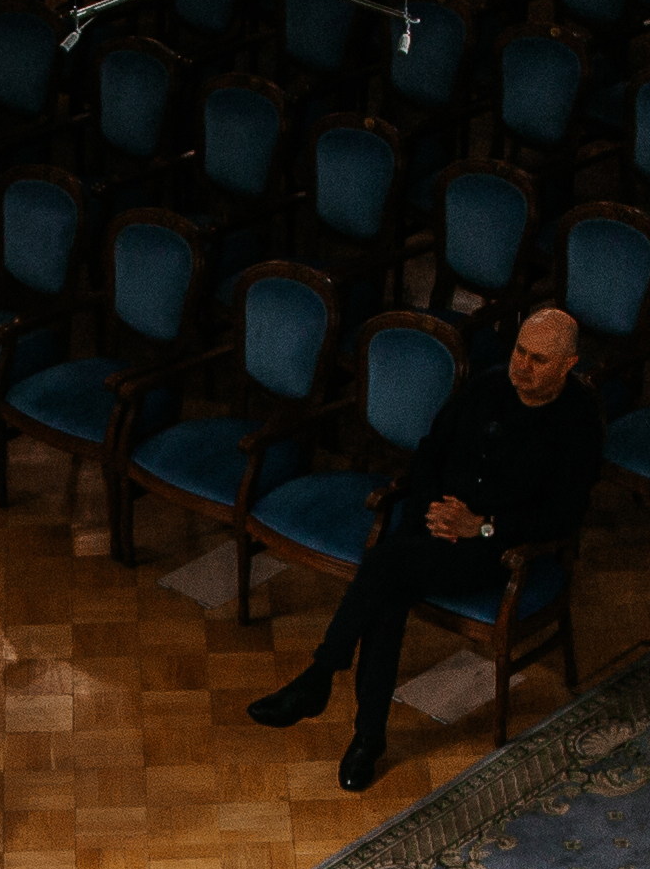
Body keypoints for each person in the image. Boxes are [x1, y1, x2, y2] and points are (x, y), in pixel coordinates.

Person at [243, 308, 600, 789]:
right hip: (432, 526)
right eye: (519, 350)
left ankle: (323, 679)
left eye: (539, 359)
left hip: (494, 549)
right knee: (388, 590)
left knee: (385, 566)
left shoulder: (579, 422)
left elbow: (563, 515)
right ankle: (364, 736)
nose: (523, 366)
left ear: (567, 364)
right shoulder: (487, 385)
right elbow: (432, 450)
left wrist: (482, 527)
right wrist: (433, 512)